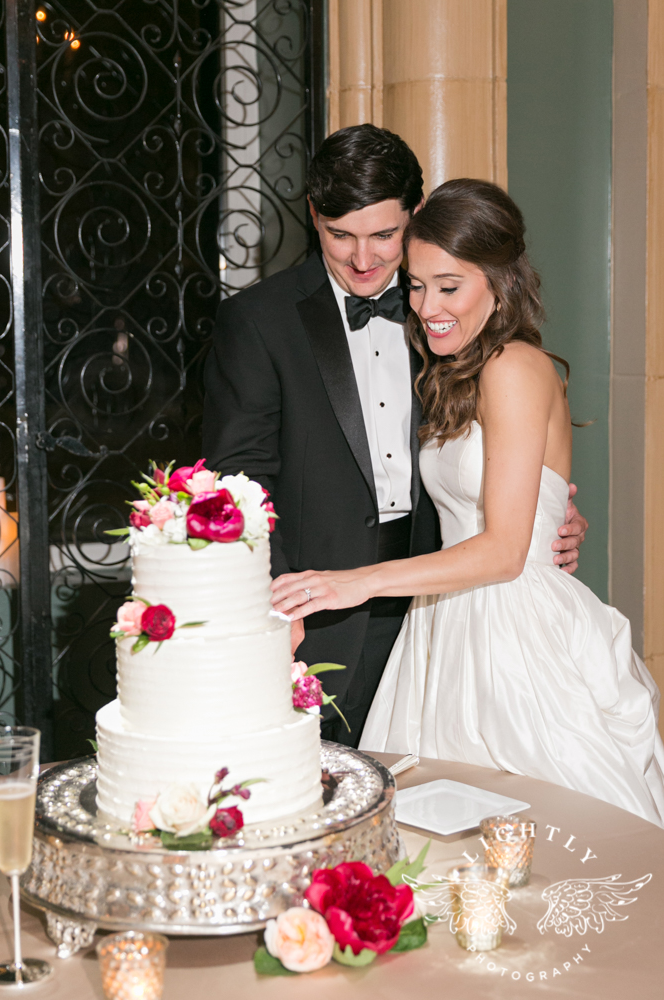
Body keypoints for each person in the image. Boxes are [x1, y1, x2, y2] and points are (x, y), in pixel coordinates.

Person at [271, 179, 664, 825]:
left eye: (449, 287)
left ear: (499, 283)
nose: (427, 307)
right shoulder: (459, 369)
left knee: (540, 831)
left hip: (513, 632)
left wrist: (355, 581)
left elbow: (506, 552)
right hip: (446, 619)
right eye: (416, 285)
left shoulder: (514, 367)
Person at [203, 126, 587, 749]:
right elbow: (238, 482)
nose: (363, 260)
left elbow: (508, 450)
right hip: (313, 608)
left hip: (439, 602)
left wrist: (546, 519)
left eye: (384, 236)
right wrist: (273, 604)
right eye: (340, 235)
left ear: (415, 215)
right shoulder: (257, 320)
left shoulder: (446, 314)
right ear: (313, 215)